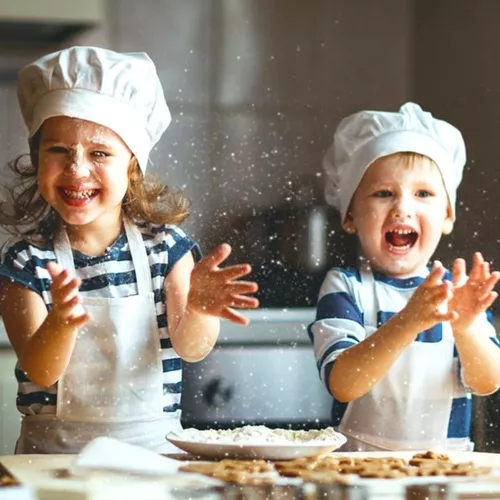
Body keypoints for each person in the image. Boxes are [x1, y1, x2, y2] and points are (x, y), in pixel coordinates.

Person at [0, 46, 259, 454]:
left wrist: (199, 309)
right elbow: (42, 370)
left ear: (132, 166)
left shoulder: (167, 249)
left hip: (153, 459)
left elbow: (191, 349)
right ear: (36, 157)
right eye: (58, 151)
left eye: (99, 153)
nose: (77, 170)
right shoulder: (26, 260)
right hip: (53, 464)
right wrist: (62, 324)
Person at [309, 102, 500, 451]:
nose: (402, 207)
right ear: (350, 216)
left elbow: (488, 382)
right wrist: (407, 322)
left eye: (423, 193)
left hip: (446, 475)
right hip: (358, 474)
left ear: (447, 216)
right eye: (384, 193)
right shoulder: (345, 287)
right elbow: (343, 383)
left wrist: (465, 328)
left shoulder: (458, 296)